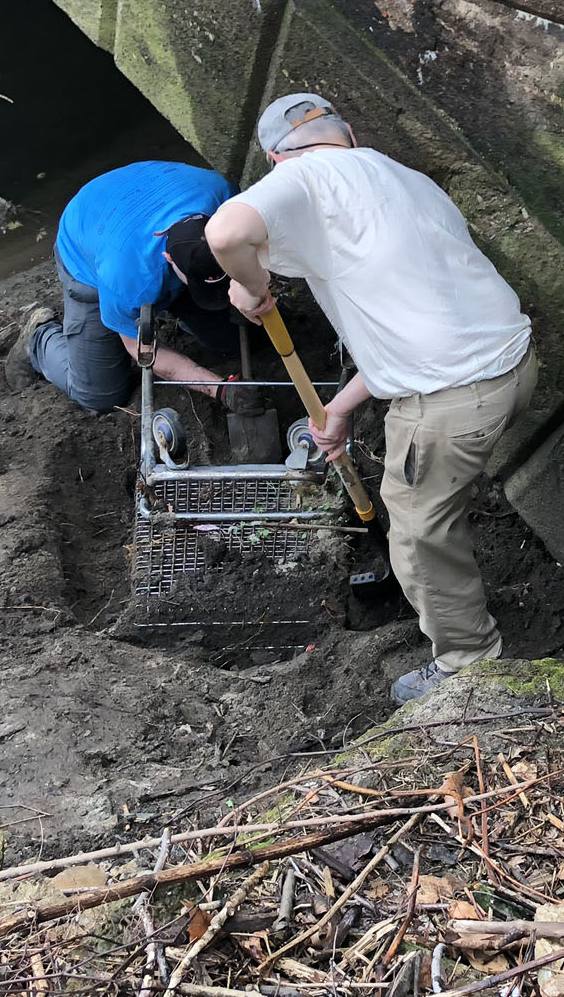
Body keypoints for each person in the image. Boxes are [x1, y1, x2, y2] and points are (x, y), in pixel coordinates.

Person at [205, 94, 537, 704]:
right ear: (347, 134)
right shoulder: (403, 179)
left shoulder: (302, 179)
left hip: (453, 401)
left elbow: (226, 231)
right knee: (430, 502)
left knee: (415, 530)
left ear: (277, 158)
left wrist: (251, 285)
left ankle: (469, 666)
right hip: (513, 368)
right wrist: (340, 408)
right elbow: (418, 328)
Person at [7, 160, 244, 413]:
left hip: (139, 194)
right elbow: (142, 352)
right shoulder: (126, 278)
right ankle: (39, 339)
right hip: (86, 251)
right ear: (169, 259)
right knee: (101, 396)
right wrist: (220, 389)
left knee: (233, 341)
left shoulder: (228, 203)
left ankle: (179, 307)